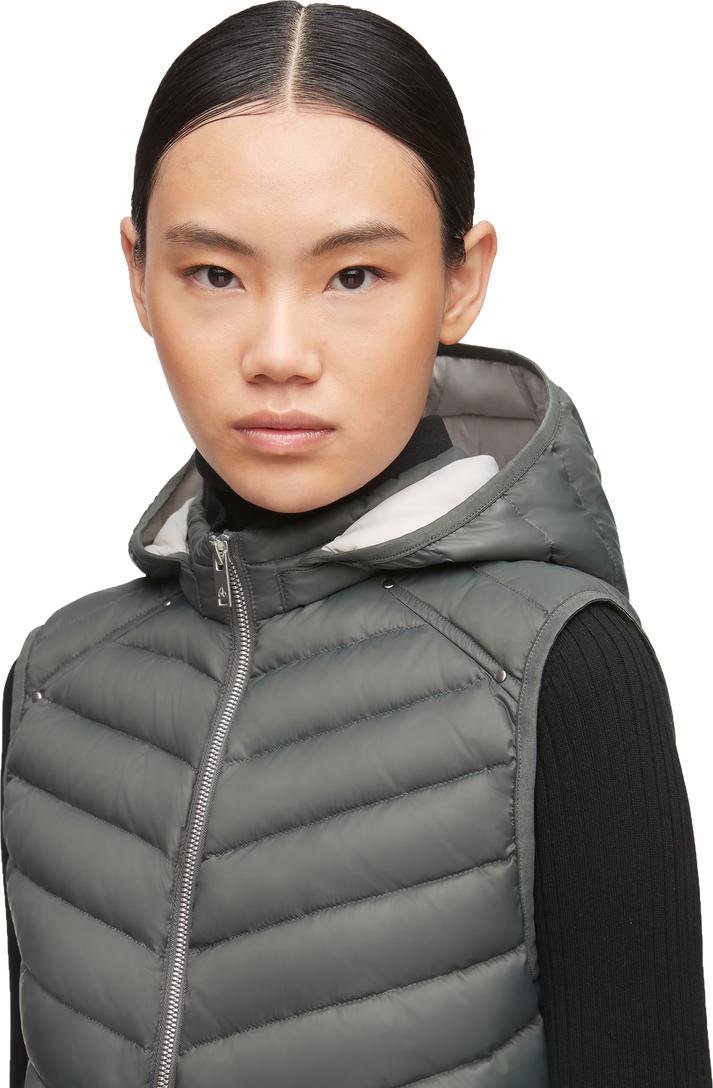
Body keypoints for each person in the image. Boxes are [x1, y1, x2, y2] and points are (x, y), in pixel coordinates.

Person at [1, 2, 709, 1086]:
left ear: (463, 278)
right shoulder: (58, 681)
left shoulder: (558, 667)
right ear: (135, 271)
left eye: (353, 276)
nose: (280, 353)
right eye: (215, 275)